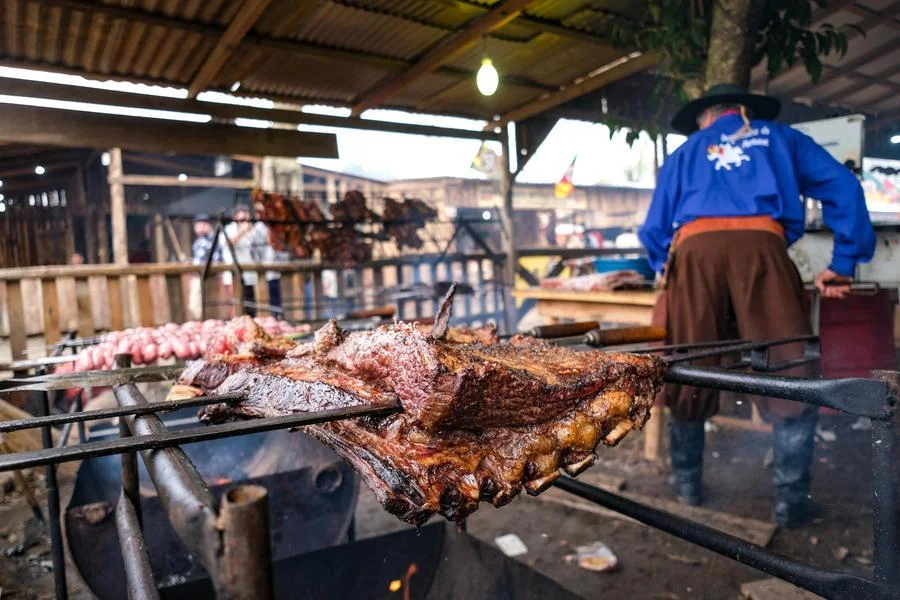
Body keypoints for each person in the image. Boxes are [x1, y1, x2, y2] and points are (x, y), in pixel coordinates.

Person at [638, 84, 876, 527]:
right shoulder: (780, 137)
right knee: (790, 367)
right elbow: (843, 185)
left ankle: (687, 489)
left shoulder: (687, 151)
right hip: (763, 251)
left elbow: (654, 228)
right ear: (744, 111)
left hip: (695, 254)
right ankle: (790, 505)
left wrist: (668, 271)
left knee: (687, 366)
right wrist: (843, 262)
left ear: (707, 117)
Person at [221, 204, 273, 317]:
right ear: (235, 217)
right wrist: (242, 232)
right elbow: (227, 243)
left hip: (250, 275)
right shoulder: (229, 229)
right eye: (242, 217)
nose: (245, 220)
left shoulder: (253, 230)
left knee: (250, 307)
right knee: (236, 307)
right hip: (233, 276)